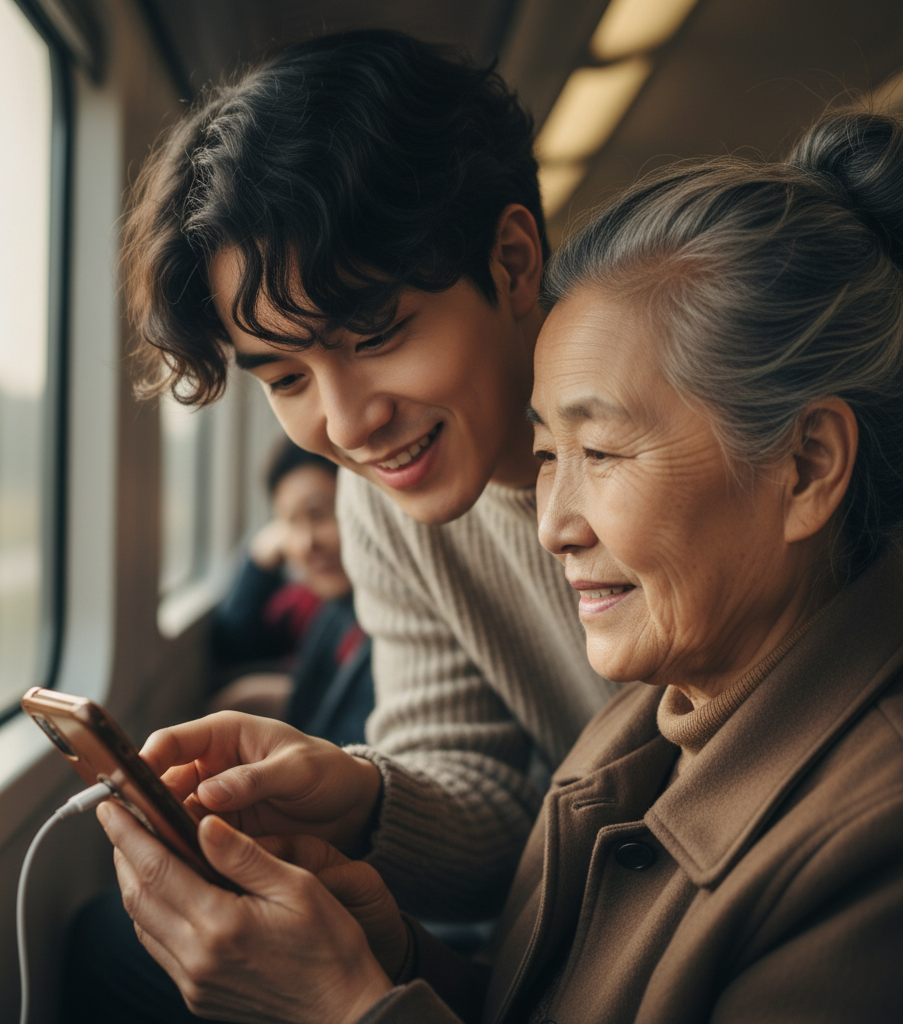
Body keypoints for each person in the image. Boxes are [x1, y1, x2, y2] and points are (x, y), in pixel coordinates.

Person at [100, 108, 903, 1023]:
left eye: (598, 453)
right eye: (547, 451)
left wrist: (349, 1006)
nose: (551, 527)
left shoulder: (862, 836)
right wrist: (393, 953)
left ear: (806, 468)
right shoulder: (639, 731)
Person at [121, 27, 614, 922]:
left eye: (379, 334)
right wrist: (357, 796)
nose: (347, 426)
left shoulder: (664, 439)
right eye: (286, 377)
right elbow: (488, 794)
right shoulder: (383, 507)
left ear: (511, 265)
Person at [210, 437, 372, 747]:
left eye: (320, 515)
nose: (307, 543)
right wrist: (257, 563)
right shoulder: (335, 609)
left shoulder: (387, 623)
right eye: (291, 522)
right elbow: (236, 642)